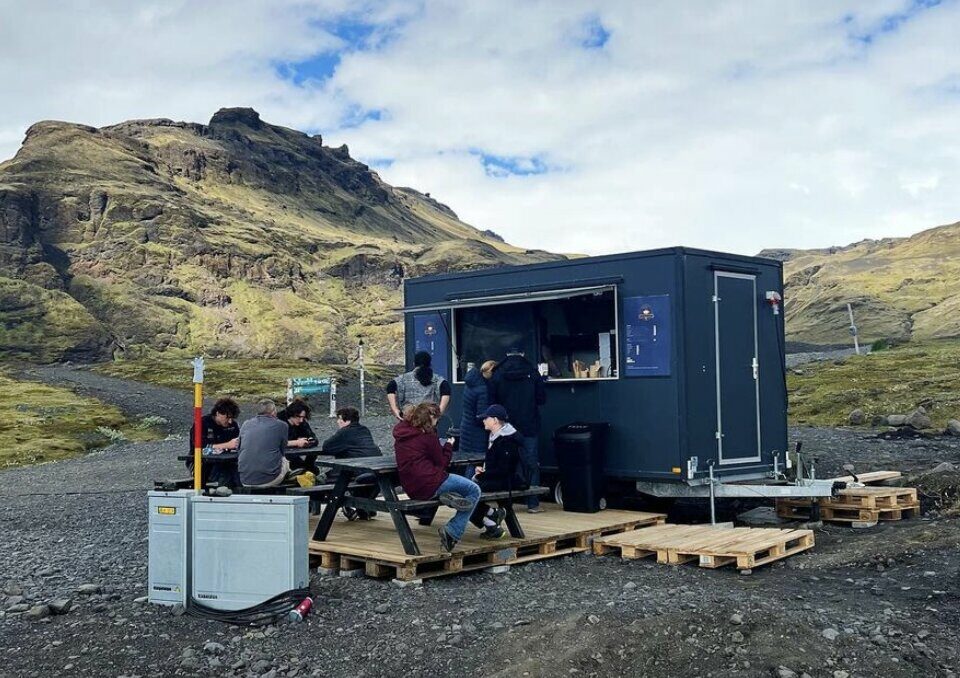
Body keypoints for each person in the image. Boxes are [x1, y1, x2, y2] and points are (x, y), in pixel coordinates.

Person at [393, 403, 494, 551]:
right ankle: (453, 531)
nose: (437, 422)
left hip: (411, 487)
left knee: (458, 489)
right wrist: (448, 446)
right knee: (473, 490)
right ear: (430, 418)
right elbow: (442, 463)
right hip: (431, 482)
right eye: (436, 419)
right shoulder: (428, 436)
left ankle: (451, 497)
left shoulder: (401, 434)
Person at [488, 348, 547, 513]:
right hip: (529, 424)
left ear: (506, 354)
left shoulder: (497, 373)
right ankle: (533, 503)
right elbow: (542, 399)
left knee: (507, 463)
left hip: (506, 427)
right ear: (522, 354)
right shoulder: (533, 372)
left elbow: (492, 402)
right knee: (531, 462)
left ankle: (506, 504)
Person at [467, 404, 528, 538]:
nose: (483, 420)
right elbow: (497, 465)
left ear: (495, 420)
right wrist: (483, 470)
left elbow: (504, 470)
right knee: (465, 490)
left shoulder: (507, 440)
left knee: (466, 492)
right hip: (503, 478)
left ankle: (491, 521)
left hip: (509, 481)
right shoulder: (497, 436)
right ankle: (491, 515)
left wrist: (482, 475)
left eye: (486, 418)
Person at [322, 406, 382, 520]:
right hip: (374, 469)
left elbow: (327, 447)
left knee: (327, 479)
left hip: (357, 472)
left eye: (339, 419)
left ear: (346, 420)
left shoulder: (344, 432)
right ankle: (363, 507)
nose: (338, 422)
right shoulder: (364, 430)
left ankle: (347, 503)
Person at [186, 397, 240, 487]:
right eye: (227, 418)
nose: (230, 421)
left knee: (235, 471)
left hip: (226, 461)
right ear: (218, 413)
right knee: (223, 474)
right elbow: (201, 449)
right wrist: (227, 445)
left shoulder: (233, 426)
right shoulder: (202, 424)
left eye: (232, 418)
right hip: (201, 461)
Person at [238, 399, 290, 488]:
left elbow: (238, 448)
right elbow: (282, 450)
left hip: (244, 479)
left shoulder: (246, 424)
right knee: (285, 461)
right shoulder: (282, 425)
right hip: (269, 479)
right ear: (274, 412)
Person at [386, 351, 451, 419]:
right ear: (430, 364)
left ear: (414, 364)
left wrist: (395, 409)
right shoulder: (436, 379)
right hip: (428, 419)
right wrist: (439, 412)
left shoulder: (403, 379)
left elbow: (390, 387)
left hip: (408, 417)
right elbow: (446, 390)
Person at [458, 363, 492, 462]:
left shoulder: (471, 383)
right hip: (477, 433)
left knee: (467, 461)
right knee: (477, 461)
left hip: (466, 427)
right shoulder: (483, 389)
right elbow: (481, 415)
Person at [278, 399, 319, 473]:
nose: (301, 420)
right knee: (301, 469)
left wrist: (309, 441)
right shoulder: (279, 422)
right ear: (292, 414)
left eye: (303, 417)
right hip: (279, 458)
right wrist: (296, 442)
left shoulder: (301, 423)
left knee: (313, 469)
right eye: (299, 417)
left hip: (293, 454)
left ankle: (307, 468)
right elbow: (274, 442)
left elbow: (313, 437)